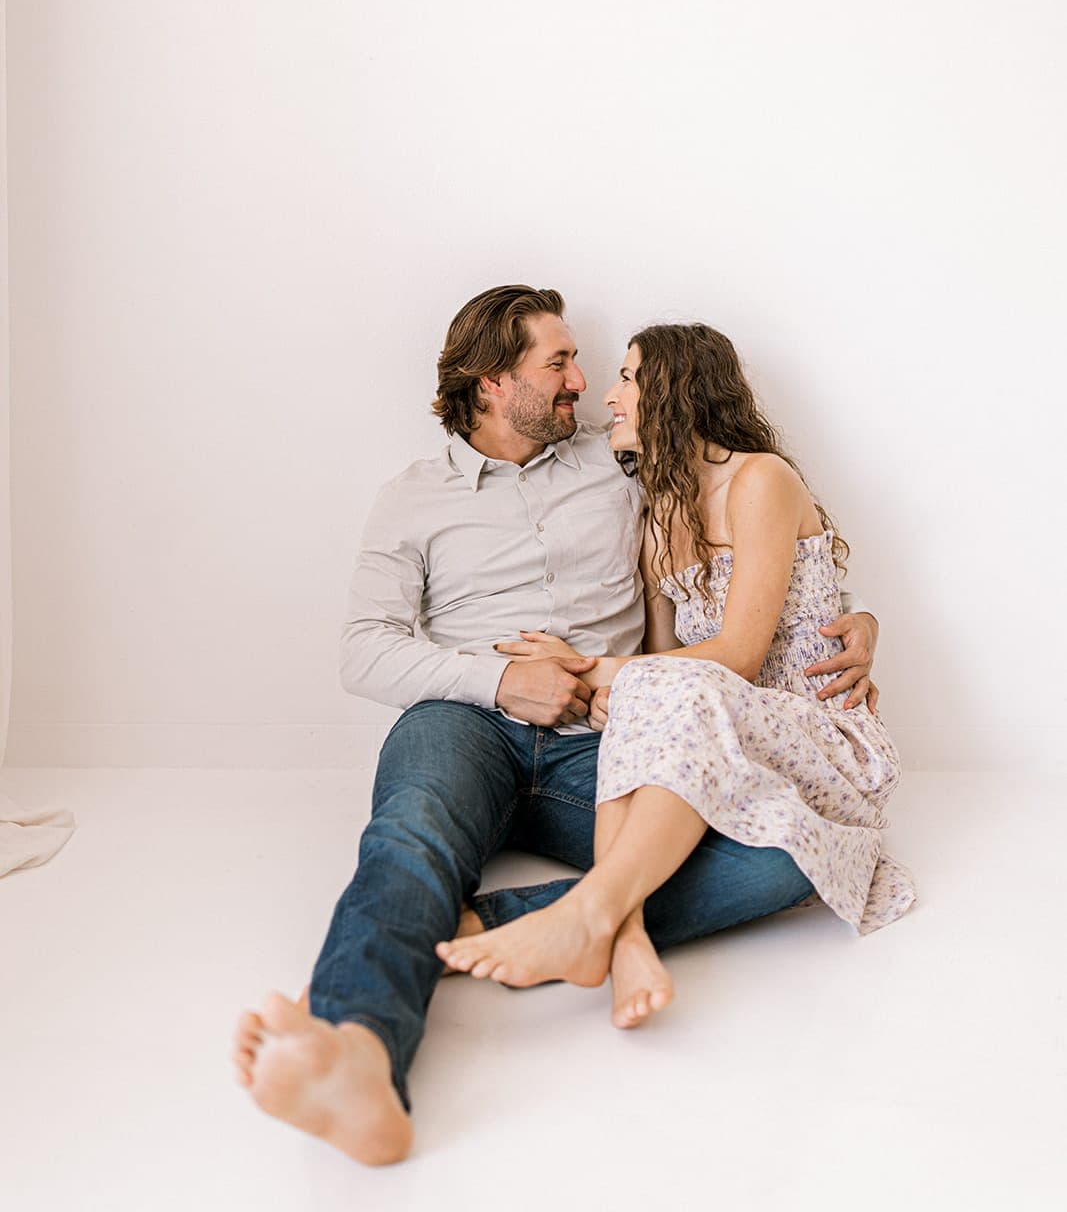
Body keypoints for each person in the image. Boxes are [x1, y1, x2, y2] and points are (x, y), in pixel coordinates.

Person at [232, 288, 882, 1166]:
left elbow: (752, 572)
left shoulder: (626, 470)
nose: (582, 380)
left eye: (590, 365)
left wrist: (858, 625)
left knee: (780, 857)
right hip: (466, 724)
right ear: (495, 382)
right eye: (559, 363)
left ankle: (510, 922)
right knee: (409, 840)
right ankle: (357, 1053)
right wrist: (504, 680)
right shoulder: (412, 499)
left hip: (612, 739)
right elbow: (363, 652)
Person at [436, 324, 914, 1010]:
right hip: (727, 740)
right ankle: (623, 939)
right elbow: (663, 664)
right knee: (646, 690)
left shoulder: (759, 480)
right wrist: (615, 688)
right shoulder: (661, 513)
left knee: (657, 686)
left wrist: (589, 668)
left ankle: (574, 918)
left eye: (627, 378)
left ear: (675, 389)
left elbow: (739, 657)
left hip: (817, 739)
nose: (609, 394)